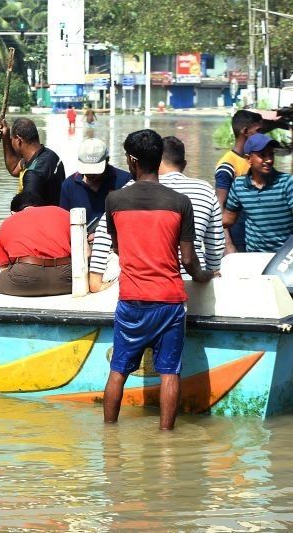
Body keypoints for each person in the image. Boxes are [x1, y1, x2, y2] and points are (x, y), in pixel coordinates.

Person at [102, 129, 214, 431]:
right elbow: (189, 260)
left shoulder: (114, 200)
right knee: (169, 373)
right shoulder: (180, 202)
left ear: (133, 161)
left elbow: (116, 246)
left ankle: (108, 436)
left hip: (132, 300)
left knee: (118, 371)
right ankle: (167, 440)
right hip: (169, 300)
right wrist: (205, 276)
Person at [88, 136, 225, 291]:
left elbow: (103, 237)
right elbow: (215, 244)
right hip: (192, 284)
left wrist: (95, 282)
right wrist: (210, 273)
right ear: (184, 164)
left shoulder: (125, 193)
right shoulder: (204, 190)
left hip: (138, 286)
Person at [0, 192, 72, 297]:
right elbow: (85, 252)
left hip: (26, 276)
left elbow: (4, 267)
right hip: (66, 276)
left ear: (13, 212)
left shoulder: (8, 222)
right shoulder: (63, 213)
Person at [224, 133, 293, 253]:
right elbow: (228, 220)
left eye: (271, 154)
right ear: (248, 159)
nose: (269, 160)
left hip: (285, 256)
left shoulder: (287, 182)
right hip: (254, 255)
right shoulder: (239, 185)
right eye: (262, 155)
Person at [215, 110, 263, 254]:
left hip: (255, 240)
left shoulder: (255, 160)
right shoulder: (227, 165)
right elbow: (219, 207)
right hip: (238, 240)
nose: (262, 136)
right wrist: (228, 245)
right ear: (246, 131)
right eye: (259, 131)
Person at [59, 138, 131, 232]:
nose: (91, 174)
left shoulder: (125, 181)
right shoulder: (68, 186)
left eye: (95, 170)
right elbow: (64, 225)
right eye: (87, 169)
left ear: (107, 161)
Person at [0, 117, 65, 205]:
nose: (11, 141)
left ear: (18, 140)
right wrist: (5, 137)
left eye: (11, 139)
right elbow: (14, 168)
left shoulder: (33, 174)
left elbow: (28, 211)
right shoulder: (50, 155)